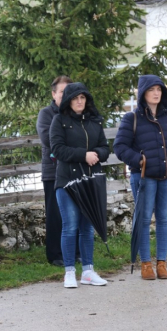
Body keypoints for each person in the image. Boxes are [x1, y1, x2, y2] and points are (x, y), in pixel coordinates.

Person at [114, 75, 167, 280]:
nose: (156, 93)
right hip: (144, 177)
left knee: (163, 219)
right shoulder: (131, 118)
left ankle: (161, 262)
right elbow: (120, 147)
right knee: (142, 219)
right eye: (152, 90)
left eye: (159, 89)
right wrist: (139, 160)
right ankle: (146, 264)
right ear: (143, 94)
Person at [50, 82, 109, 288]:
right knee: (70, 226)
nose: (79, 101)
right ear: (68, 100)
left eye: (82, 97)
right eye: (75, 98)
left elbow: (104, 148)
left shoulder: (95, 121)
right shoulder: (59, 120)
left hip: (90, 181)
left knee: (87, 226)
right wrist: (84, 155)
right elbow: (58, 150)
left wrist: (97, 155)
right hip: (67, 182)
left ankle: (88, 271)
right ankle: (68, 272)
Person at [36, 76, 73, 266]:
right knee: (55, 214)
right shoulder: (46, 114)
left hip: (75, 171)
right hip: (53, 172)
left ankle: (75, 252)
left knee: (76, 212)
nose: (65, 96)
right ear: (54, 94)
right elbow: (48, 139)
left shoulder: (77, 112)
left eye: (68, 92)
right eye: (61, 92)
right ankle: (55, 254)